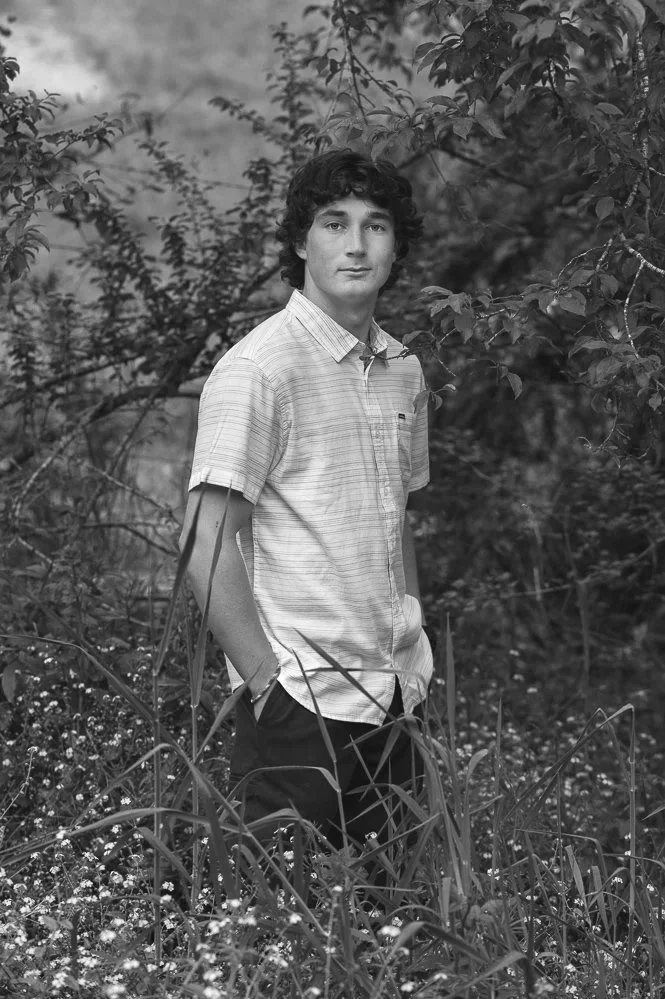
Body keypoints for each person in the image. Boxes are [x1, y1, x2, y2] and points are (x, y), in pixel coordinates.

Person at [180, 148, 433, 853]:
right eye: (333, 223)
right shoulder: (260, 368)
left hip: (397, 693)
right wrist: (266, 684)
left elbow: (397, 517)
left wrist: (412, 640)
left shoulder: (404, 369)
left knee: (390, 904)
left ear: (395, 246)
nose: (356, 244)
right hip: (300, 699)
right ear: (300, 241)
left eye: (375, 225)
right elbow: (204, 541)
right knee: (285, 908)